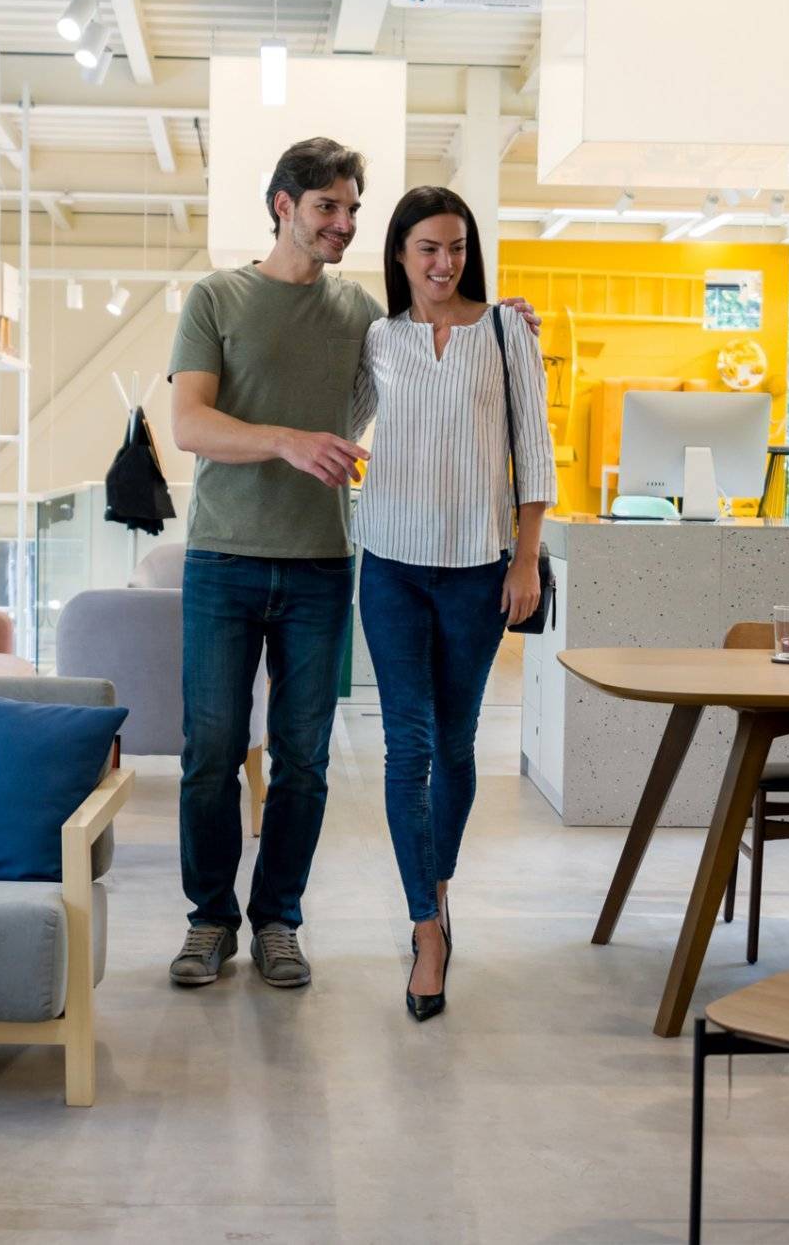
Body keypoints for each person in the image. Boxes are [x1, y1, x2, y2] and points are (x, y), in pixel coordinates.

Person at [165, 139, 537, 991]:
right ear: (281, 205)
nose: (342, 222)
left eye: (352, 209)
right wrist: (286, 442)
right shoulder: (216, 296)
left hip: (325, 565)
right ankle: (208, 918)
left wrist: (499, 321)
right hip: (222, 557)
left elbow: (429, 351)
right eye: (326, 205)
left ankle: (279, 920)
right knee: (211, 748)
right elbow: (189, 424)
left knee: (306, 756)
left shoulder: (362, 318)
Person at [353, 187, 555, 1021]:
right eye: (428, 248)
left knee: (458, 745)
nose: (444, 263)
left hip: (477, 568)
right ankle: (426, 927)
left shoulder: (507, 332)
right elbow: (340, 419)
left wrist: (526, 560)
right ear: (400, 253)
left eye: (458, 247)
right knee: (408, 750)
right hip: (391, 566)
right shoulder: (378, 338)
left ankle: (435, 884)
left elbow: (533, 453)